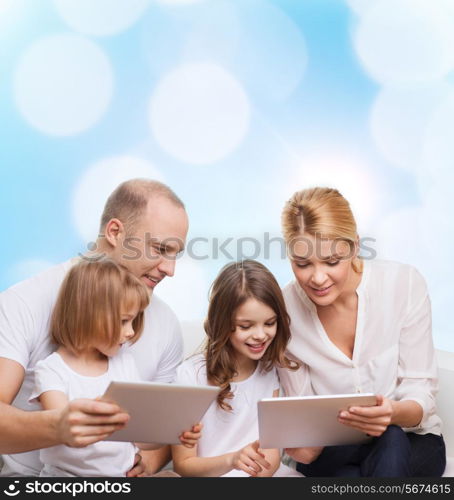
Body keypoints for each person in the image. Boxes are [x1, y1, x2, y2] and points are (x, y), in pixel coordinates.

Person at [0, 178, 198, 477]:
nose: (170, 270)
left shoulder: (165, 322)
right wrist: (59, 425)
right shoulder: (23, 303)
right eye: (160, 249)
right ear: (115, 232)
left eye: (175, 255)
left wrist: (150, 463)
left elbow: (159, 430)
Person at [278, 186, 446, 477]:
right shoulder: (284, 311)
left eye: (332, 262)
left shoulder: (403, 284)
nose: (318, 278)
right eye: (302, 264)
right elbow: (302, 417)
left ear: (355, 246)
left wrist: (391, 413)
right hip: (333, 448)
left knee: (389, 438)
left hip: (412, 437)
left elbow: (421, 391)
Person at [30, 258, 198, 476]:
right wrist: (102, 418)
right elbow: (66, 433)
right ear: (88, 316)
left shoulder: (124, 363)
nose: (130, 332)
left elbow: (140, 439)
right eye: (123, 321)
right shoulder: (52, 370)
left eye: (133, 321)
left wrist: (173, 433)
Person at [172, 260, 301, 477]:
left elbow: (271, 455)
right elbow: (184, 464)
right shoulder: (190, 376)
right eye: (246, 326)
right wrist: (233, 460)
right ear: (222, 323)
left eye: (269, 323)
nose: (260, 335)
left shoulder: (270, 370)